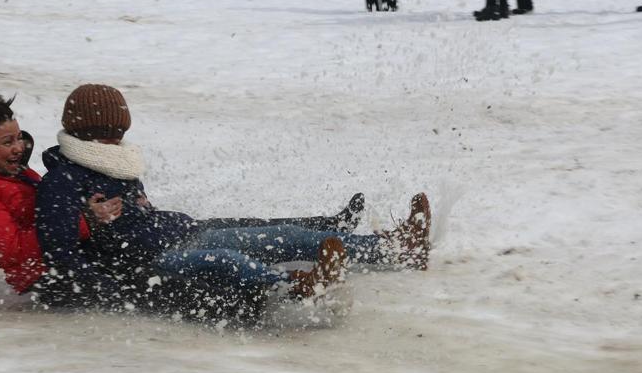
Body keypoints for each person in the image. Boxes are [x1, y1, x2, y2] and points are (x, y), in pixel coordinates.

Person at [34, 84, 432, 321]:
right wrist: (113, 291)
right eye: (107, 133)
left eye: (118, 132)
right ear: (85, 133)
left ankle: (395, 249)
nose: (115, 141)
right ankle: (295, 286)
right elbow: (60, 249)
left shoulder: (117, 164)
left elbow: (140, 214)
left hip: (181, 232)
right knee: (227, 261)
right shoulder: (62, 182)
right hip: (147, 263)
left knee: (281, 236)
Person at [0, 83, 366, 302]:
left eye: (20, 138)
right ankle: (291, 285)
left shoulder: (25, 175)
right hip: (63, 280)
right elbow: (24, 251)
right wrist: (88, 225)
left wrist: (141, 214)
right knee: (223, 258)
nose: (19, 149)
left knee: (248, 231)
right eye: (7, 142)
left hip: (142, 240)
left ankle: (363, 240)